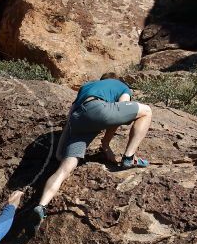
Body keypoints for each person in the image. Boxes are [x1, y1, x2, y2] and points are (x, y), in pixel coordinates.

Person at [29, 73, 153, 231]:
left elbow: (69, 119)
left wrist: (60, 151)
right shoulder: (122, 86)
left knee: (65, 167)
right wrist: (106, 144)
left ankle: (42, 205)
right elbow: (119, 111)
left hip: (78, 119)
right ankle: (129, 157)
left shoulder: (86, 86)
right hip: (99, 110)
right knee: (147, 111)